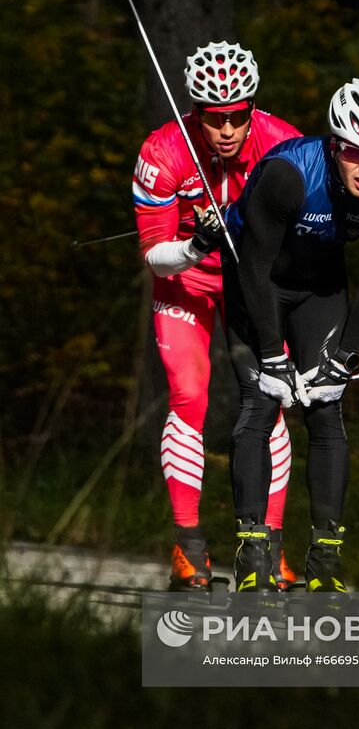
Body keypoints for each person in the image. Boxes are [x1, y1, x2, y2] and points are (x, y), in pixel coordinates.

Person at [222, 77, 359, 593]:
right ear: (335, 146)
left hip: (320, 287)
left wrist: (344, 359)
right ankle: (252, 554)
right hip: (255, 278)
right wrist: (271, 356)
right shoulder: (289, 174)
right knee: (261, 404)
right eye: (355, 153)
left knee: (326, 409)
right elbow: (254, 269)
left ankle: (325, 566)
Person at [132, 40, 302, 591]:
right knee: (189, 395)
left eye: (237, 116)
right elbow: (154, 255)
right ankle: (189, 549)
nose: (227, 130)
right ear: (195, 112)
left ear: (252, 107)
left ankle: (268, 550)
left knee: (270, 398)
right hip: (185, 279)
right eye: (214, 118)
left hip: (252, 283)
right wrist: (194, 247)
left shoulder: (286, 146)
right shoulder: (162, 152)